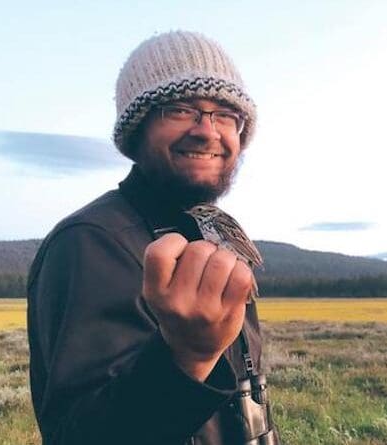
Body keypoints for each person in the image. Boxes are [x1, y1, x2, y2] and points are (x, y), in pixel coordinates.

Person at [26, 31, 279, 445]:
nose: (207, 131)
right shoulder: (90, 243)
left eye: (226, 115)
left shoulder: (220, 235)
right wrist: (187, 357)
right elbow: (80, 435)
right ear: (137, 127)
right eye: (180, 109)